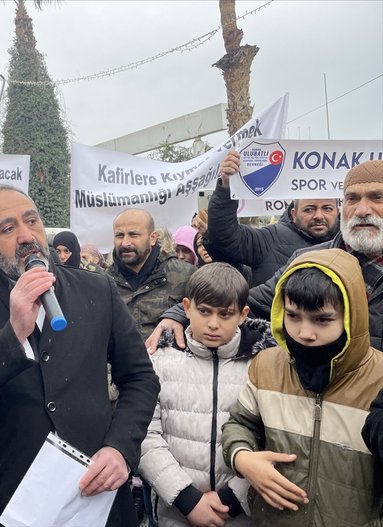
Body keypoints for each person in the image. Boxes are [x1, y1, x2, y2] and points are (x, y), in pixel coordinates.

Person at [0, 184, 159, 527]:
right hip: (12, 500)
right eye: (8, 229)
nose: (26, 236)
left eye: (31, 221)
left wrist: (120, 448)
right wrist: (11, 336)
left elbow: (140, 378)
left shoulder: (97, 289)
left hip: (96, 492)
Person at [147, 160, 383, 353]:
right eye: (353, 198)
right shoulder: (304, 259)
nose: (362, 209)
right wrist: (178, 316)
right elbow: (246, 301)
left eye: (377, 197)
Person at [221, 248, 383, 526]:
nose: (305, 333)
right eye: (293, 316)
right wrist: (243, 458)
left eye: (322, 319)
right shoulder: (267, 365)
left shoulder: (379, 377)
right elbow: (240, 422)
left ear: (351, 315)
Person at [138, 263, 273, 526]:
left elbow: (271, 436)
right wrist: (185, 498)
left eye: (225, 314)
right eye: (204, 311)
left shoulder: (263, 363)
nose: (213, 324)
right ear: (186, 307)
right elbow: (144, 433)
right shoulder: (158, 359)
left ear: (243, 314)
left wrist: (233, 498)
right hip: (174, 510)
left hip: (241, 513)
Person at [203, 150, 339, 286]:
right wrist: (227, 186)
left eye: (327, 208)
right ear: (294, 214)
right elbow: (224, 235)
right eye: (309, 209)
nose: (319, 216)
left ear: (338, 211)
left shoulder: (351, 245)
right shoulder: (269, 239)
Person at [106, 208, 196, 342]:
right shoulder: (102, 282)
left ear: (152, 238)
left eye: (133, 234)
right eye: (119, 235)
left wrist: (177, 315)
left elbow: (207, 312)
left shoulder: (185, 275)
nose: (125, 243)